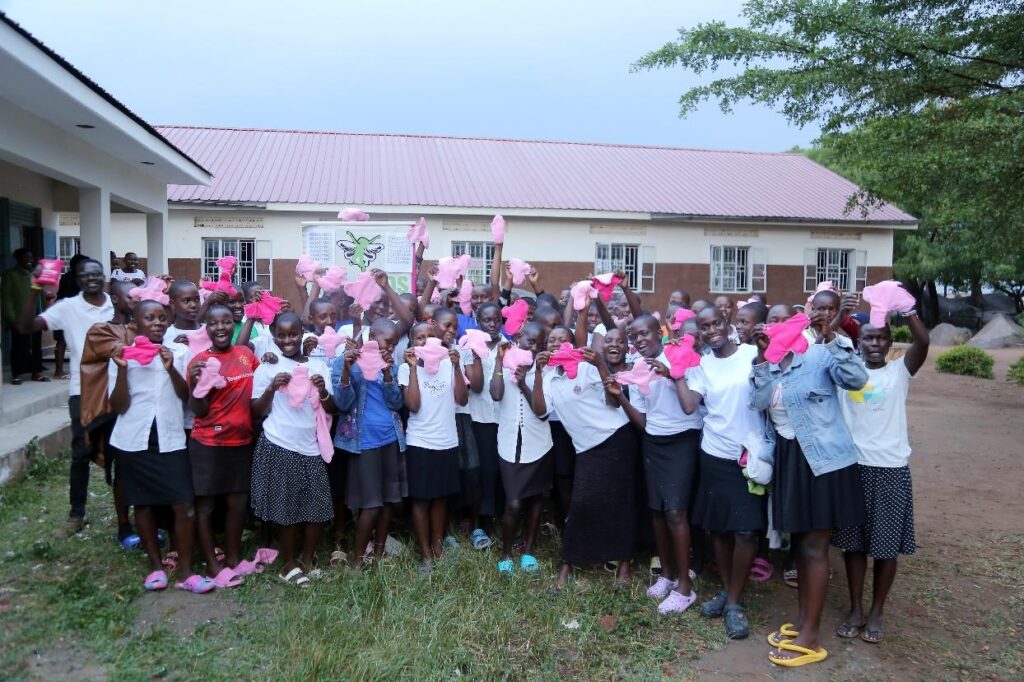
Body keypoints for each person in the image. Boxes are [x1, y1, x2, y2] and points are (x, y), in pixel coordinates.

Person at [749, 307, 869, 667]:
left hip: (824, 463)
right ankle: (803, 621)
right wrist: (760, 356)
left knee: (816, 546)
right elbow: (757, 402)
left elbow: (857, 378)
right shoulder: (770, 365)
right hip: (790, 460)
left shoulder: (817, 355)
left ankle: (811, 636)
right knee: (801, 544)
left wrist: (831, 337)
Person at [833, 304, 930, 645]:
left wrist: (909, 310)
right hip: (853, 468)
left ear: (890, 342)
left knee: (886, 549)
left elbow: (923, 341)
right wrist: (834, 322)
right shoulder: (845, 373)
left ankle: (877, 610)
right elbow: (821, 348)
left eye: (880, 338)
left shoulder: (899, 372)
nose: (874, 343)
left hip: (890, 469)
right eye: (867, 338)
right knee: (854, 545)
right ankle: (856, 608)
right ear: (858, 341)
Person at [674, 307, 765, 640]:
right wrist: (677, 369)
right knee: (720, 530)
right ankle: (729, 595)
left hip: (748, 456)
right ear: (698, 333)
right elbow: (688, 405)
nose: (711, 330)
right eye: (704, 327)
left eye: (716, 324)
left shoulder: (752, 353)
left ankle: (734, 602)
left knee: (747, 532)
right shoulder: (702, 365)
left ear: (728, 325)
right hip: (714, 454)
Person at [107, 300, 210, 593]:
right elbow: (118, 405)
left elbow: (185, 396)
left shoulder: (178, 352)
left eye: (161, 318)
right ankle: (155, 566)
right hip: (133, 439)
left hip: (170, 437)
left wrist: (170, 368)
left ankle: (187, 572)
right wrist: (124, 370)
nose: (157, 322)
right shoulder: (120, 357)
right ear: (135, 324)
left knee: (184, 504)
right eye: (149, 318)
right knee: (144, 504)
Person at [17, 257, 113, 537]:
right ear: (78, 278)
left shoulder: (116, 303)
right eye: (85, 275)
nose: (91, 279)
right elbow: (26, 327)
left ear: (103, 276)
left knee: (124, 453)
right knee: (81, 452)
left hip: (119, 388)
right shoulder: (68, 307)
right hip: (82, 391)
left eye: (96, 274)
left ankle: (128, 515)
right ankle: (76, 514)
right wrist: (35, 288)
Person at [534, 343, 635, 593]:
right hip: (586, 448)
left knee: (621, 503)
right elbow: (540, 410)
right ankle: (567, 567)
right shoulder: (549, 377)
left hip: (616, 438)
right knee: (580, 505)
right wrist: (537, 372)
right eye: (552, 340)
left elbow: (613, 402)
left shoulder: (586, 367)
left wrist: (600, 364)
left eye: (562, 338)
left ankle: (624, 565)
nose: (556, 343)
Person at [250, 312, 338, 587]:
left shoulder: (318, 366)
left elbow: (332, 408)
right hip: (280, 443)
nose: (287, 340)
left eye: (293, 334)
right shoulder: (267, 368)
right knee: (287, 510)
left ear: (303, 334)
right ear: (274, 336)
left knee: (319, 507)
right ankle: (287, 566)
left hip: (311, 446)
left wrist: (323, 391)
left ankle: (308, 560)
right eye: (281, 335)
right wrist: (272, 389)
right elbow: (255, 411)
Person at [625, 314, 702, 614]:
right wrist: (622, 398)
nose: (639, 339)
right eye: (635, 336)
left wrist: (671, 373)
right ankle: (668, 575)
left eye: (645, 333)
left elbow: (689, 406)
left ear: (660, 333)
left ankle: (685, 587)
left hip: (682, 441)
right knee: (657, 512)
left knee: (675, 512)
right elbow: (642, 422)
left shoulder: (683, 357)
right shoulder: (638, 368)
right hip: (653, 442)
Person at [187, 304, 259, 587]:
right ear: (206, 327)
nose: (220, 328)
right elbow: (198, 410)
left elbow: (259, 385)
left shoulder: (245, 356)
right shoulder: (199, 362)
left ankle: (233, 558)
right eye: (214, 323)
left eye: (226, 322)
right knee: (205, 505)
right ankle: (213, 566)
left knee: (237, 502)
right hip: (209, 442)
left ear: (234, 324)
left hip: (241, 441)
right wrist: (197, 384)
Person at [333, 318, 407, 566]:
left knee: (387, 501)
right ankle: (356, 561)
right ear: (372, 336)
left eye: (395, 343)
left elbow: (396, 403)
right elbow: (342, 404)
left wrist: (387, 372)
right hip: (363, 442)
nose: (391, 347)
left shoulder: (391, 364)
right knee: (371, 504)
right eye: (388, 341)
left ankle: (377, 555)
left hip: (391, 439)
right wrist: (346, 369)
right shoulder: (348, 362)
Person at [398, 321, 469, 574]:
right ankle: (426, 553)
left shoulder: (450, 365)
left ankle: (438, 547)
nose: (425, 342)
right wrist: (414, 369)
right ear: (412, 343)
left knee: (440, 497)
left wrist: (457, 366)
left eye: (430, 337)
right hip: (420, 441)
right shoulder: (406, 369)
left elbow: (462, 399)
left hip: (446, 441)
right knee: (421, 499)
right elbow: (413, 405)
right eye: (419, 338)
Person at [490, 321, 552, 574]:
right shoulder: (505, 366)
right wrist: (498, 361)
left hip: (539, 444)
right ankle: (506, 553)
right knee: (513, 502)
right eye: (529, 341)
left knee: (536, 501)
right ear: (518, 338)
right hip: (508, 443)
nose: (534, 346)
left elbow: (541, 412)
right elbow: (495, 394)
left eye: (539, 343)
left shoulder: (547, 372)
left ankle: (528, 551)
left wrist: (529, 379)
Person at [462, 302, 507, 548]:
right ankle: (480, 521)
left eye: (496, 320)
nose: (491, 324)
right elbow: (475, 386)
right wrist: (478, 352)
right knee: (481, 471)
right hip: (479, 418)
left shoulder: (507, 347)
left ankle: (495, 517)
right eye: (486, 320)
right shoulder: (469, 347)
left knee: (498, 470)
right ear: (477, 321)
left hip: (503, 418)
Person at [2, 248, 48, 384]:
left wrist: (44, 315)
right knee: (18, 346)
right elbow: (6, 298)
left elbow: (40, 296)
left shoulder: (35, 274)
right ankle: (17, 374)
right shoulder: (10, 275)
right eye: (26, 258)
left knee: (35, 346)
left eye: (31, 258)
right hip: (19, 318)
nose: (29, 260)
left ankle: (36, 372)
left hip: (36, 317)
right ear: (19, 259)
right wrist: (11, 318)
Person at [52, 254, 88, 379]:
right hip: (71, 312)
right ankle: (62, 371)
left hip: (62, 310)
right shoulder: (80, 279)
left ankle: (59, 371)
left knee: (61, 342)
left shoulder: (66, 276)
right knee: (71, 341)